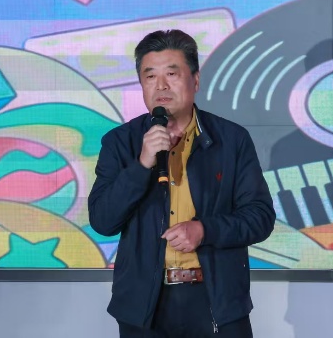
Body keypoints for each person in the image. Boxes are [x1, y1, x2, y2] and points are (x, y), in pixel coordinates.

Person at [89, 29, 276, 337]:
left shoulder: (231, 140)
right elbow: (102, 220)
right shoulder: (120, 143)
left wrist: (205, 230)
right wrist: (142, 164)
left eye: (172, 74)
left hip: (216, 302)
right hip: (144, 308)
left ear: (195, 81)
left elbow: (260, 217)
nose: (161, 85)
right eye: (150, 76)